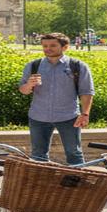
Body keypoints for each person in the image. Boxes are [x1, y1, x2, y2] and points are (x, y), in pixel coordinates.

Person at [19, 32, 95, 165]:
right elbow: (23, 91)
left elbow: (86, 92)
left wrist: (85, 114)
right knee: (38, 155)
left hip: (68, 117)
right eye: (45, 46)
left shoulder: (77, 66)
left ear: (65, 47)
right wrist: (29, 85)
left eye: (53, 45)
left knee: (74, 153)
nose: (48, 49)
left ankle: (77, 178)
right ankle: (41, 178)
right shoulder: (33, 65)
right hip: (38, 117)